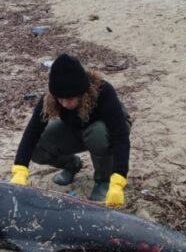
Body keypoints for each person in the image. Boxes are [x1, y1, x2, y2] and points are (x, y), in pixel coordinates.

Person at [8, 53, 132, 208]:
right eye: (60, 99)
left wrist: (118, 181)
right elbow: (32, 132)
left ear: (82, 92)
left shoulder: (103, 91)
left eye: (70, 99)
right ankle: (71, 165)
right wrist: (20, 169)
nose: (65, 104)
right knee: (37, 148)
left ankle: (103, 180)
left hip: (109, 130)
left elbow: (120, 136)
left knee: (97, 135)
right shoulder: (51, 99)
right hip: (78, 128)